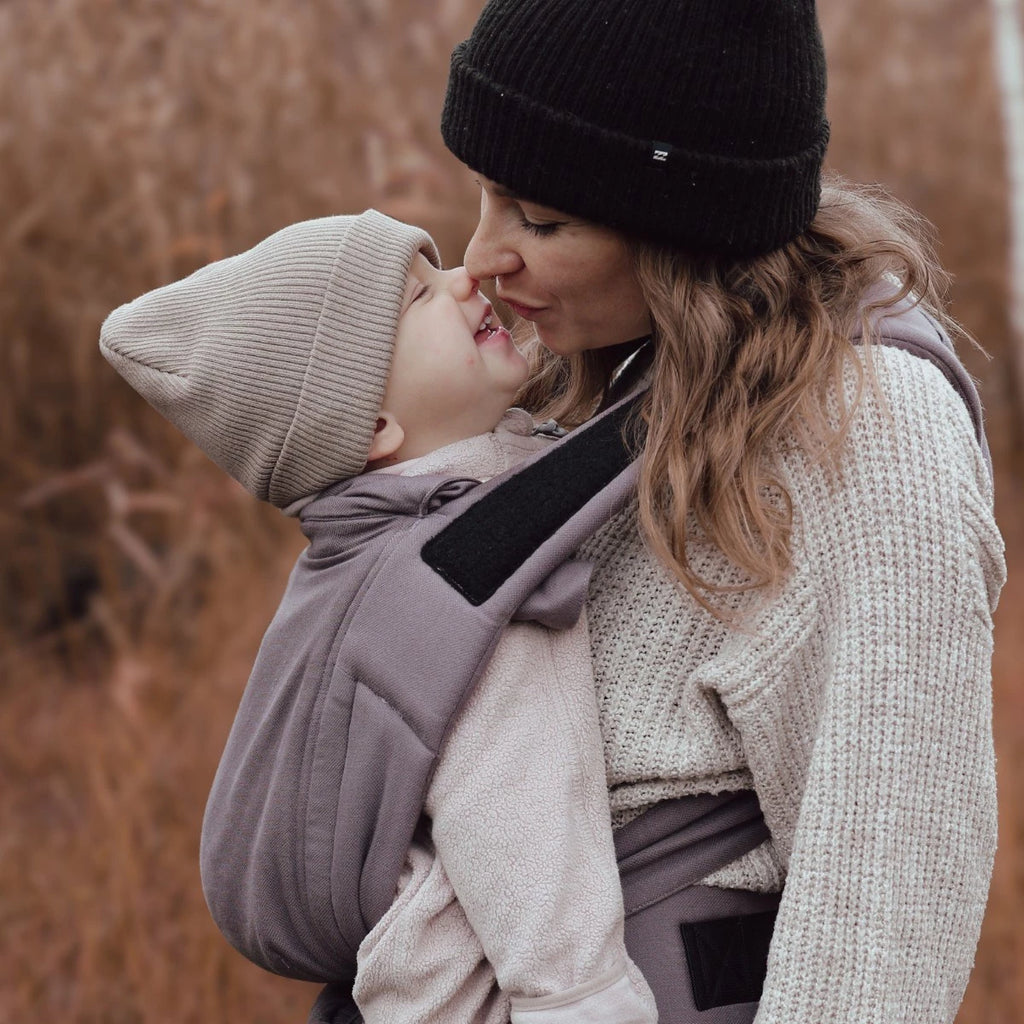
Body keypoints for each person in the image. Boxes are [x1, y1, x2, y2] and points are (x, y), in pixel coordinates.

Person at [428, 0, 1008, 1022]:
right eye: (484, 197)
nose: (481, 258)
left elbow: (883, 930)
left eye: (541, 220)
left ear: (681, 224)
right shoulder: (645, 377)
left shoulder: (870, 434)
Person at [98, 210, 658, 1024]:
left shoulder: (368, 559)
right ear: (371, 429)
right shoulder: (467, 571)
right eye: (419, 297)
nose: (467, 276)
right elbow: (516, 801)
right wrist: (582, 999)